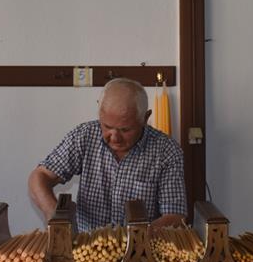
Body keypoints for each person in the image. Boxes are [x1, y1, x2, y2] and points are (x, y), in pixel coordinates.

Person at [28, 78, 187, 232]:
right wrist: (53, 213)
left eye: (125, 130)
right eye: (107, 126)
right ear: (100, 111)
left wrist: (134, 239)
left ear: (145, 118)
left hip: (142, 245)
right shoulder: (84, 136)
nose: (114, 137)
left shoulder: (166, 151)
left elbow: (175, 216)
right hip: (87, 244)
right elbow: (40, 176)